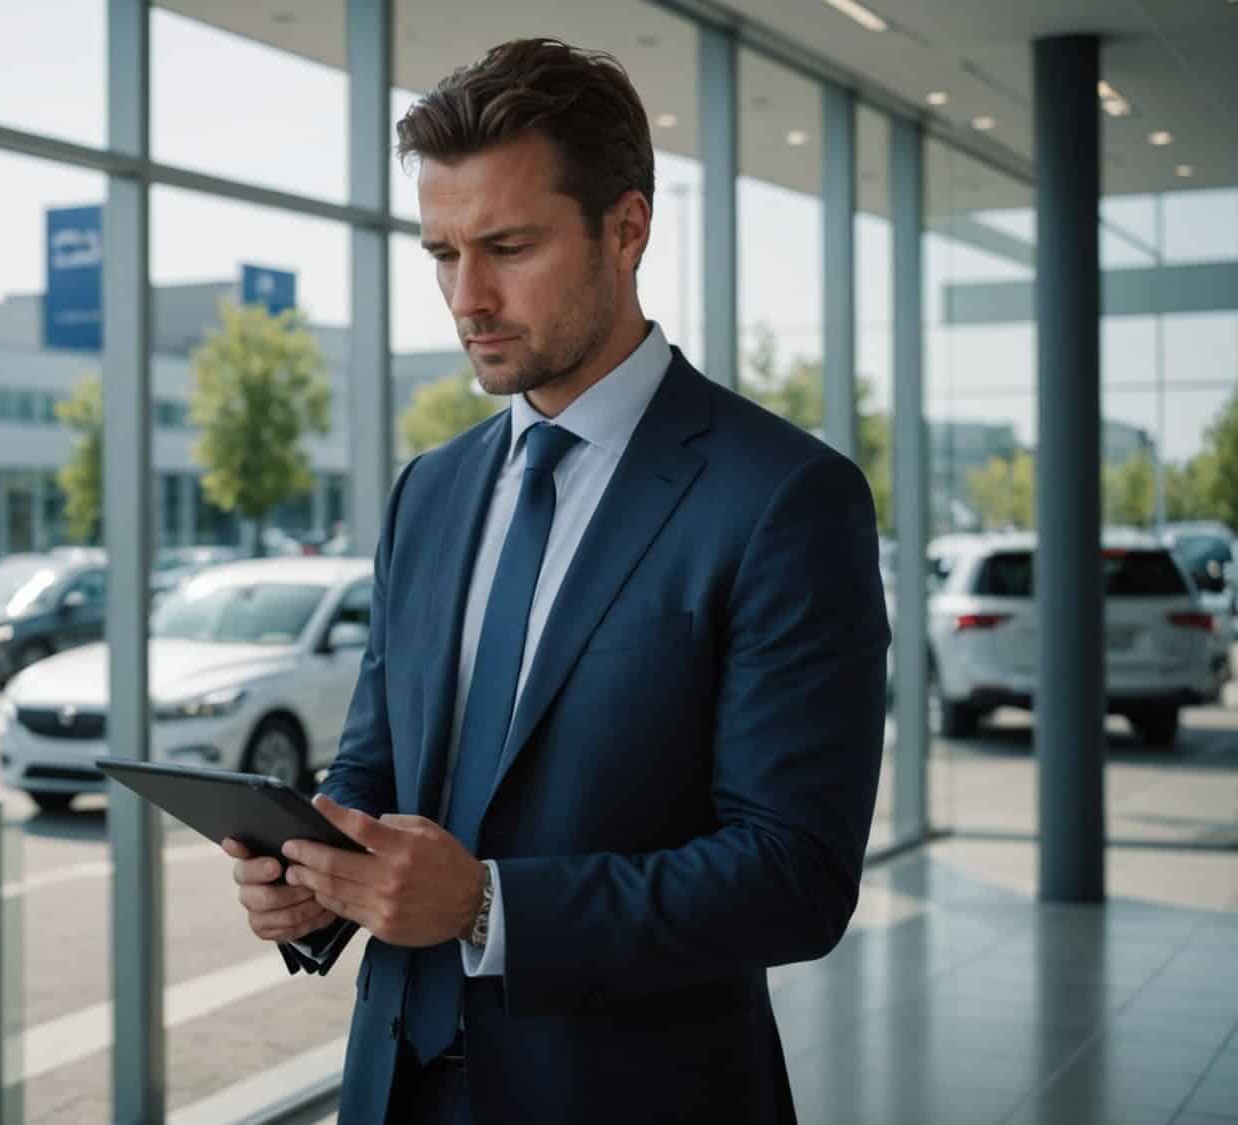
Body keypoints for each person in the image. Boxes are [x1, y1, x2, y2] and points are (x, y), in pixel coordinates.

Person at [223, 37, 888, 1124]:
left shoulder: (781, 497)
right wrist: (315, 881)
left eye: (508, 247)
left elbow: (791, 875)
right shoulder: (426, 492)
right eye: (440, 252)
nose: (465, 297)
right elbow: (374, 766)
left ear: (624, 229)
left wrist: (487, 904)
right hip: (395, 1090)